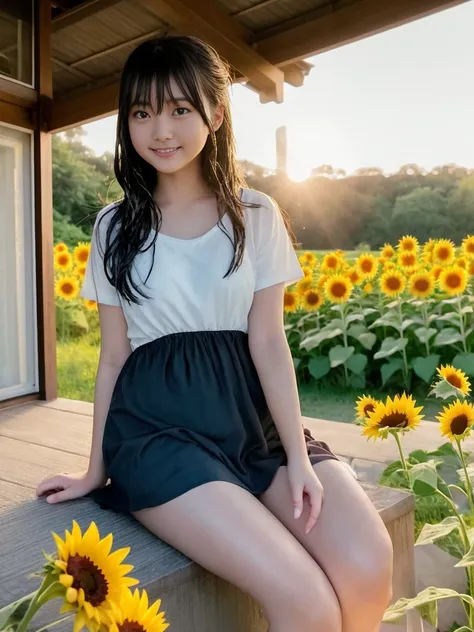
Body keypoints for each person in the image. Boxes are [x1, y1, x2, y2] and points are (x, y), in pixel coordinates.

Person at [36, 35, 393, 632]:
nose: (161, 130)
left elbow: (268, 343)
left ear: (217, 113)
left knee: (367, 562)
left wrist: (300, 458)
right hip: (157, 433)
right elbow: (113, 356)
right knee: (303, 601)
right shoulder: (114, 226)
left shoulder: (256, 215)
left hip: (251, 425)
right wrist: (94, 468)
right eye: (142, 112)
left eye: (180, 109)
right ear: (127, 123)